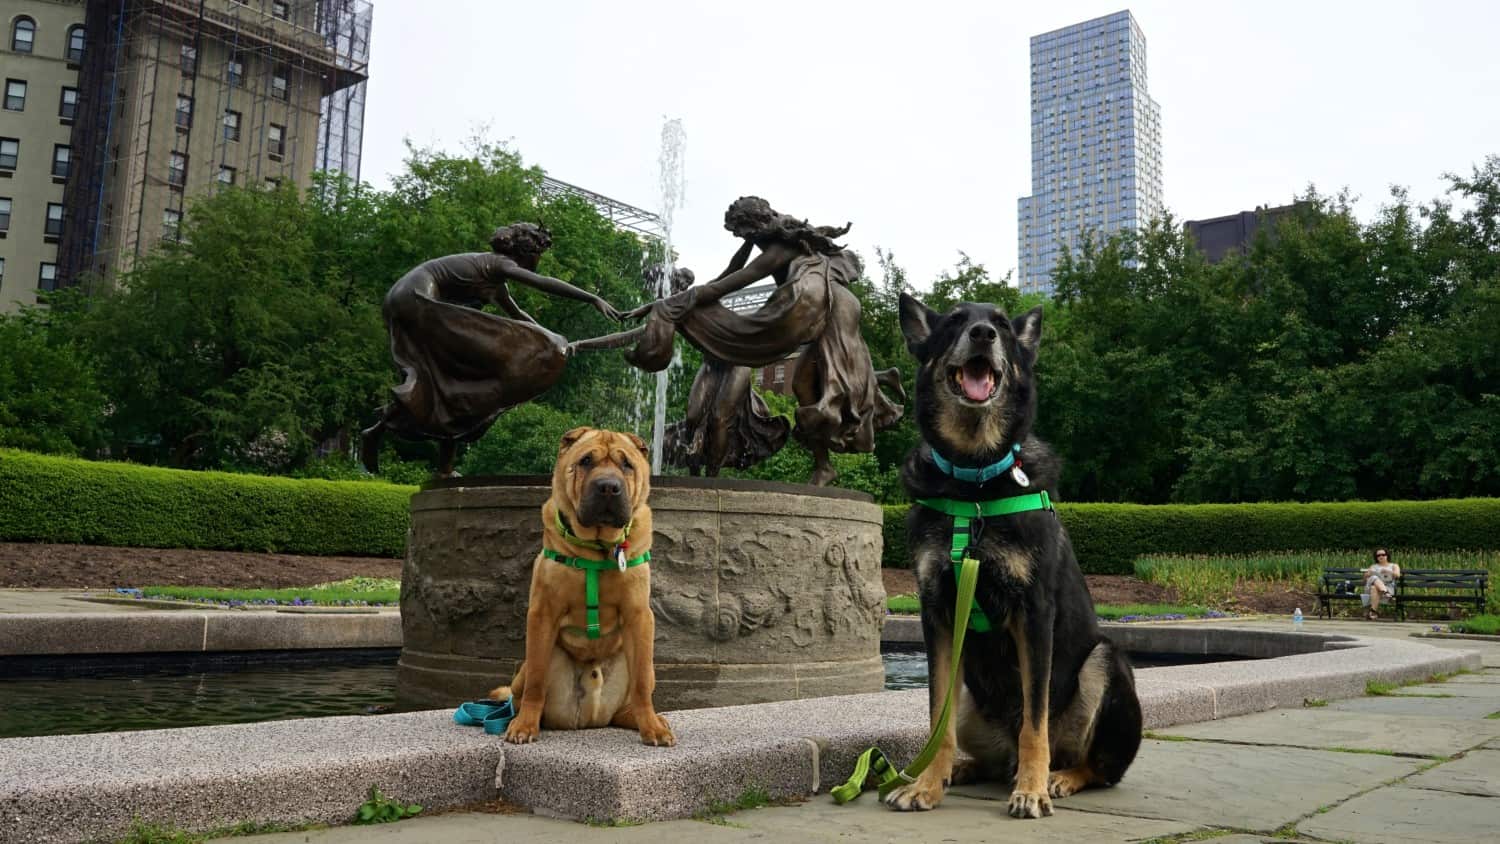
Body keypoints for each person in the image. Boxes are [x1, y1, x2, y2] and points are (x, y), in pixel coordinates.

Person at [576, 196, 903, 485]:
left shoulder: (777, 250)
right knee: (807, 386)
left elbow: (727, 285)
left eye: (741, 233)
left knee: (822, 387)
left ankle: (854, 408)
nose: (740, 239)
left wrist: (667, 307)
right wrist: (660, 307)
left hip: (828, 309)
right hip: (823, 307)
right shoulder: (769, 241)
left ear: (755, 227)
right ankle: (826, 461)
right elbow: (729, 272)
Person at [361, 223, 622, 477]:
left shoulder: (494, 279)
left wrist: (553, 343)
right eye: (538, 256)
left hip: (403, 302)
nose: (538, 262)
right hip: (417, 300)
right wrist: (591, 298)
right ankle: (433, 456)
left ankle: (413, 450)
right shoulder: (499, 264)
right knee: (473, 381)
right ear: (527, 253)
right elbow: (541, 282)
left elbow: (518, 315)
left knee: (455, 385)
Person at [1362, 548, 1401, 620]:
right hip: (1373, 588)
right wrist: (1366, 575)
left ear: (1387, 555)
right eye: (1378, 555)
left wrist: (1389, 571)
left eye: (1383, 554)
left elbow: (1398, 575)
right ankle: (1386, 593)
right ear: (1376, 557)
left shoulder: (1394, 565)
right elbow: (1364, 581)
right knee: (1374, 577)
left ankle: (1373, 612)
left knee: (1374, 588)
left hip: (1388, 586)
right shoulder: (1373, 566)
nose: (1381, 556)